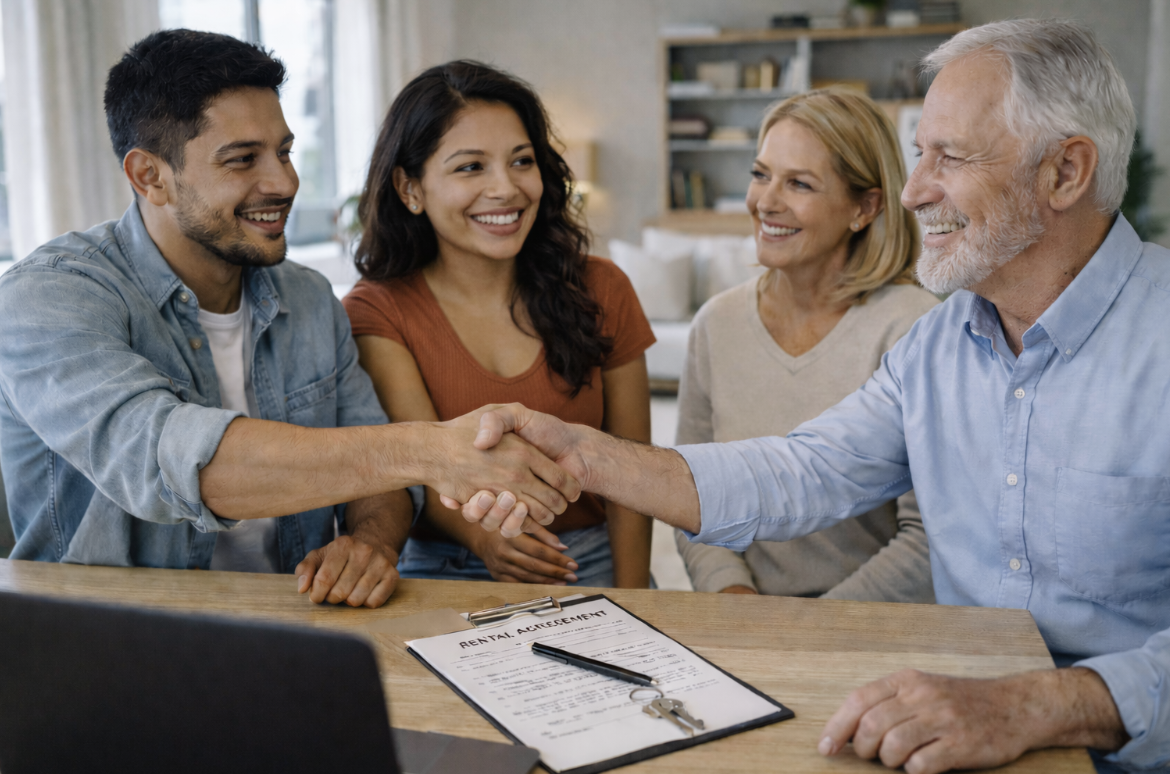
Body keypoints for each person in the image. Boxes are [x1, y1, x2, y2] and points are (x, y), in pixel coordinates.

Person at [457, 20, 1168, 773]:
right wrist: (583, 454)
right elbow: (801, 472)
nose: (914, 191)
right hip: (953, 728)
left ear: (1065, 173)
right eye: (918, 154)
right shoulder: (940, 343)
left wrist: (1044, 704)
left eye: (951, 157)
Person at [0, 31, 580, 609]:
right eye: (242, 159)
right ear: (149, 176)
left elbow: (386, 486)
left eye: (284, 152)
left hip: (293, 624)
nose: (284, 183)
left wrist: (369, 543)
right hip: (106, 637)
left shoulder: (308, 297)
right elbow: (180, 463)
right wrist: (432, 450)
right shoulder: (49, 297)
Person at [343, 61, 655, 588]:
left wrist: (632, 598)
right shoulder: (377, 310)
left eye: (521, 161)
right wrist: (486, 539)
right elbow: (423, 469)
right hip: (443, 566)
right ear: (410, 188)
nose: (506, 188)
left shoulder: (603, 288)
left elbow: (635, 473)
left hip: (589, 557)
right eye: (471, 167)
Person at [675, 89, 937, 602]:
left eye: (799, 183)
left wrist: (807, 629)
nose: (765, 202)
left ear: (864, 207)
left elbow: (928, 538)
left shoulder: (914, 328)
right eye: (760, 174)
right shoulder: (715, 324)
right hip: (743, 617)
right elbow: (689, 494)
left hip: (868, 628)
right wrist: (732, 595)